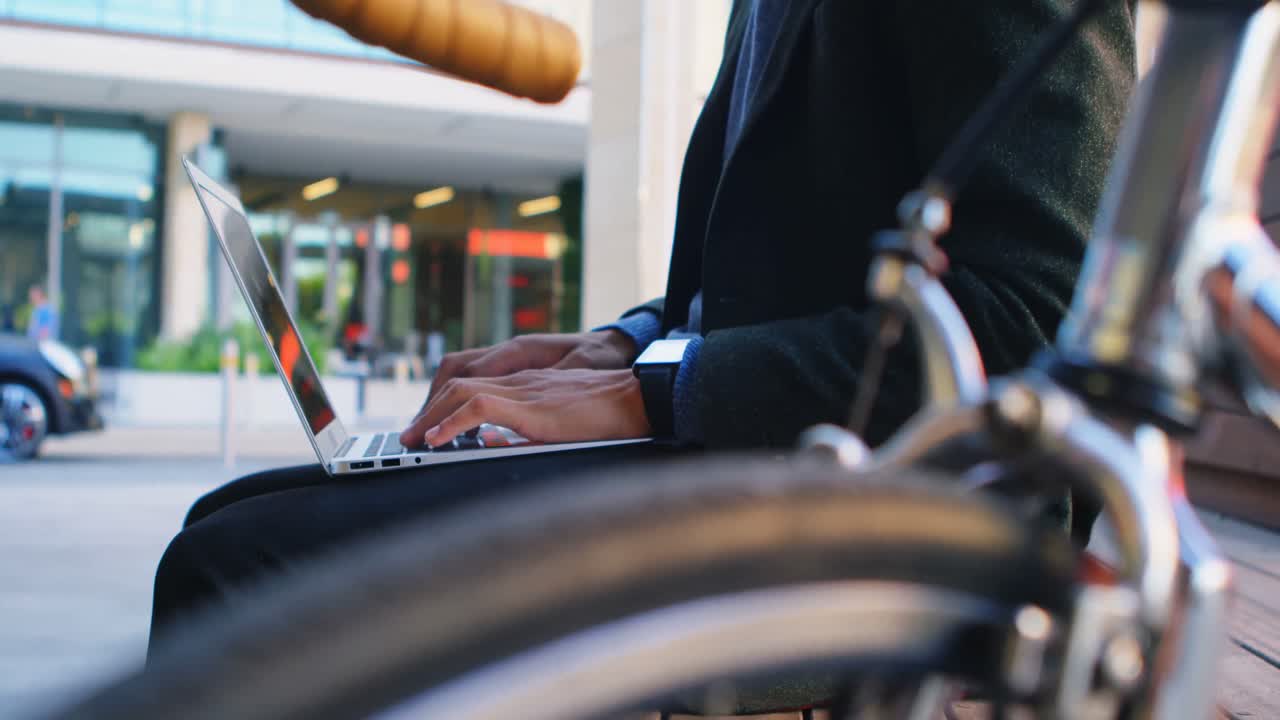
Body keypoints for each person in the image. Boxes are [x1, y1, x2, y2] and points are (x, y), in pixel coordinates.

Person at [149, 0, 1137, 645]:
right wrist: (620, 343)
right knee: (229, 518)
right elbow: (749, 278)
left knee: (233, 572)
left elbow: (1032, 318)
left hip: (888, 514)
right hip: (742, 455)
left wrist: (649, 392)